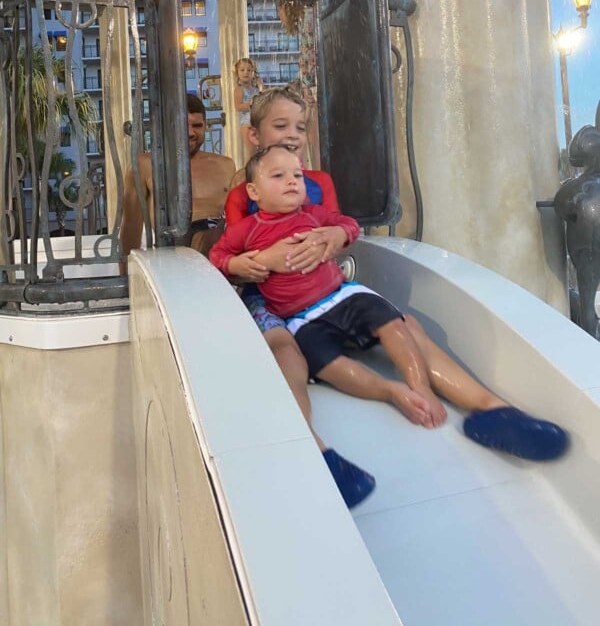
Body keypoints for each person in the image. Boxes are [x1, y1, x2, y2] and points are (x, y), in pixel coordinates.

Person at [211, 145, 568, 490]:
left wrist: (338, 233)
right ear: (254, 188)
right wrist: (244, 263)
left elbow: (347, 225)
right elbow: (219, 256)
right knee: (320, 360)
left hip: (338, 295)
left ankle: (484, 410)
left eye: (298, 174)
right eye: (279, 175)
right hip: (295, 314)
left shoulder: (313, 214)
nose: (292, 181)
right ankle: (385, 396)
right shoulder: (248, 228)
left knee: (400, 324)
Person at [225, 86, 375, 507]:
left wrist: (334, 234)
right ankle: (310, 445)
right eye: (280, 126)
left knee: (397, 321)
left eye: (300, 127)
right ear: (253, 135)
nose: (292, 134)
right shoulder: (242, 192)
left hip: (318, 288)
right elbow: (235, 252)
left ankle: (443, 397)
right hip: (270, 295)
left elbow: (338, 229)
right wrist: (254, 261)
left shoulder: (320, 183)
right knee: (284, 350)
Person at [120, 94, 236, 271]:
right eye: (182, 126)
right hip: (174, 252)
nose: (190, 133)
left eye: (197, 126)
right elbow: (130, 227)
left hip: (219, 254)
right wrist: (126, 280)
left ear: (206, 126)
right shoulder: (145, 165)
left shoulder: (226, 165)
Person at [233, 57, 263, 161]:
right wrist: (252, 104)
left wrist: (261, 87)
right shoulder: (239, 90)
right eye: (242, 70)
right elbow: (238, 106)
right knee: (250, 152)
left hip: (257, 122)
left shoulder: (255, 89)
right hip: (247, 124)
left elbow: (263, 99)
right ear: (237, 73)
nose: (246, 73)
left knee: (259, 152)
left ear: (253, 73)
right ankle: (249, 174)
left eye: (249, 70)